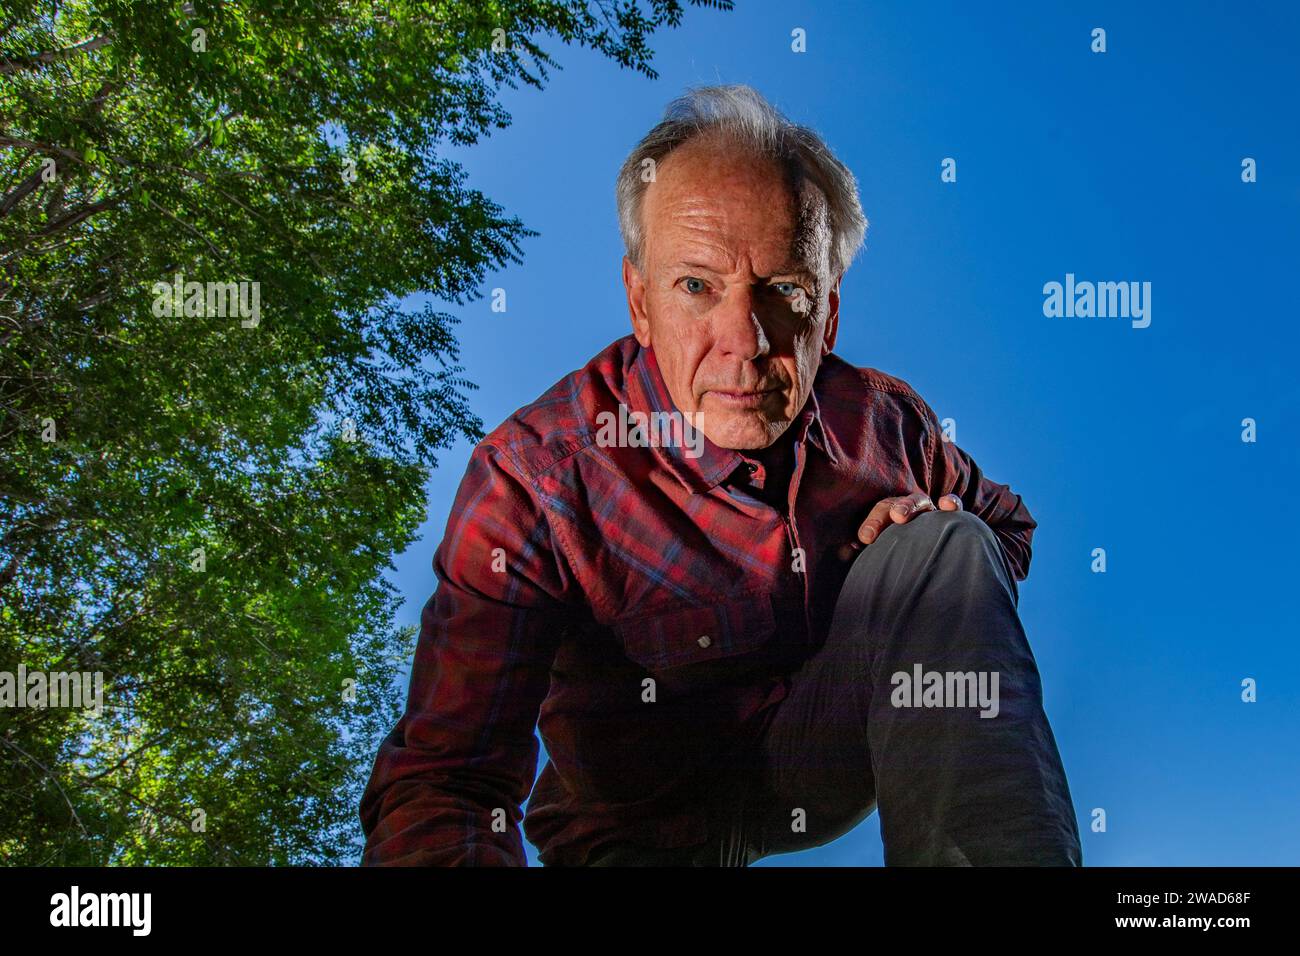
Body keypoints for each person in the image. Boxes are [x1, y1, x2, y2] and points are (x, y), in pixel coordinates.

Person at [358, 84, 1082, 867]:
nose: (742, 339)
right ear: (639, 301)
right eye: (697, 286)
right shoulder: (534, 480)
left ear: (828, 316)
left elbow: (1006, 528)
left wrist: (920, 522)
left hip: (806, 762)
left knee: (945, 546)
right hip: (632, 820)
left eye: (783, 292)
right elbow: (447, 784)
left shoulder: (885, 425)